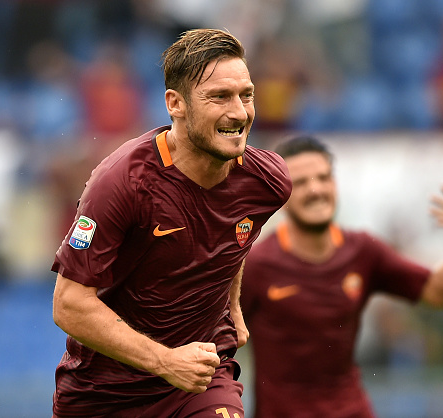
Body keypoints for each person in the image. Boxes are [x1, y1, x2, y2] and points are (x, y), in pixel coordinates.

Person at [50, 28, 292, 417]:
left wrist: (233, 306)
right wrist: (165, 361)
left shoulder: (268, 181)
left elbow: (236, 236)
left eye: (246, 95)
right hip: (104, 396)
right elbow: (69, 305)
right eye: (219, 97)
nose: (239, 112)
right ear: (175, 104)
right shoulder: (121, 184)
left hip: (200, 383)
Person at [241, 136, 443, 418]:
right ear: (280, 194)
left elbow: (440, 294)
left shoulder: (363, 251)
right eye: (301, 182)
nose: (315, 189)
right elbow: (216, 340)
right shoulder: (256, 265)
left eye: (323, 178)